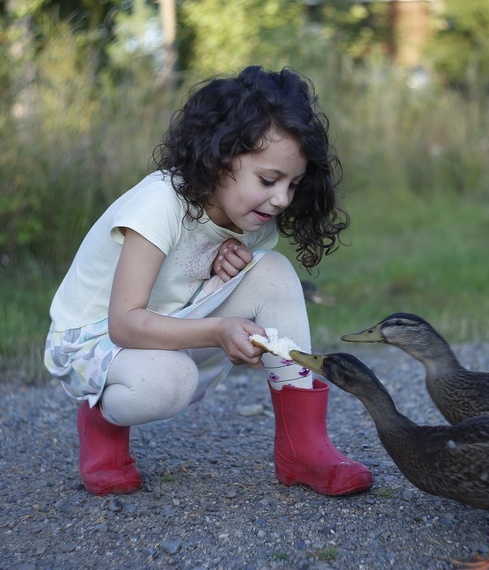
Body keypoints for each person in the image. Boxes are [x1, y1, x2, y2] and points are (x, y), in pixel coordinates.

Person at [43, 65, 373, 497]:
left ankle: (303, 449)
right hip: (96, 337)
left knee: (272, 271)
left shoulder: (252, 217)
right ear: (218, 157)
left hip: (168, 319)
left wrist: (217, 274)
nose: (282, 199)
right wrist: (219, 329)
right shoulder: (159, 204)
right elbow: (125, 322)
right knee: (170, 380)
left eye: (293, 184)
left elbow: (181, 283)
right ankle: (101, 417)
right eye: (269, 180)